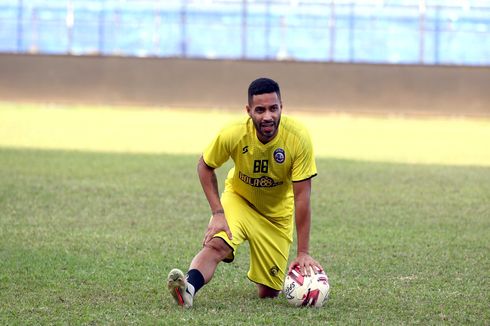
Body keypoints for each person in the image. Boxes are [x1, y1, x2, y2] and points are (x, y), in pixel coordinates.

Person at [167, 77, 323, 308]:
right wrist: (218, 212)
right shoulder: (234, 133)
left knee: (268, 292)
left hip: (276, 216)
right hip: (239, 200)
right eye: (260, 110)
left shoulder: (298, 138)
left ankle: (268, 278)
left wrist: (303, 252)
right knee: (217, 245)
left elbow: (302, 196)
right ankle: (188, 288)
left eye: (273, 108)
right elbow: (205, 165)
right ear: (248, 110)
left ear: (282, 107)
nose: (268, 116)